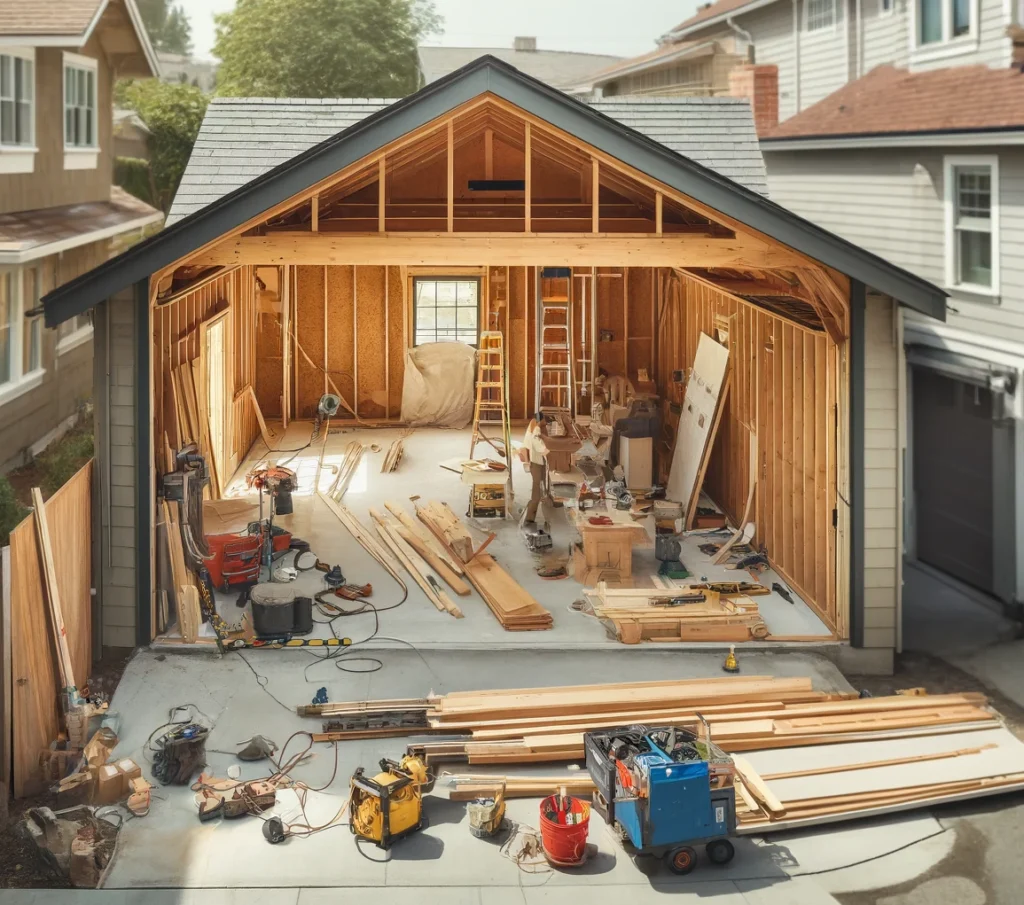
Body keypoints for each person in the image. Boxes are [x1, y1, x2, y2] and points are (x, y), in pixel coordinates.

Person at [522, 412, 555, 524]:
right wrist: (549, 449)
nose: (546, 423)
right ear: (541, 420)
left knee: (541, 486)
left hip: (535, 461)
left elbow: (527, 444)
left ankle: (534, 513)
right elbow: (538, 445)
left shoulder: (532, 426)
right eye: (545, 421)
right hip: (536, 462)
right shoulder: (536, 429)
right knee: (536, 491)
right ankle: (529, 518)